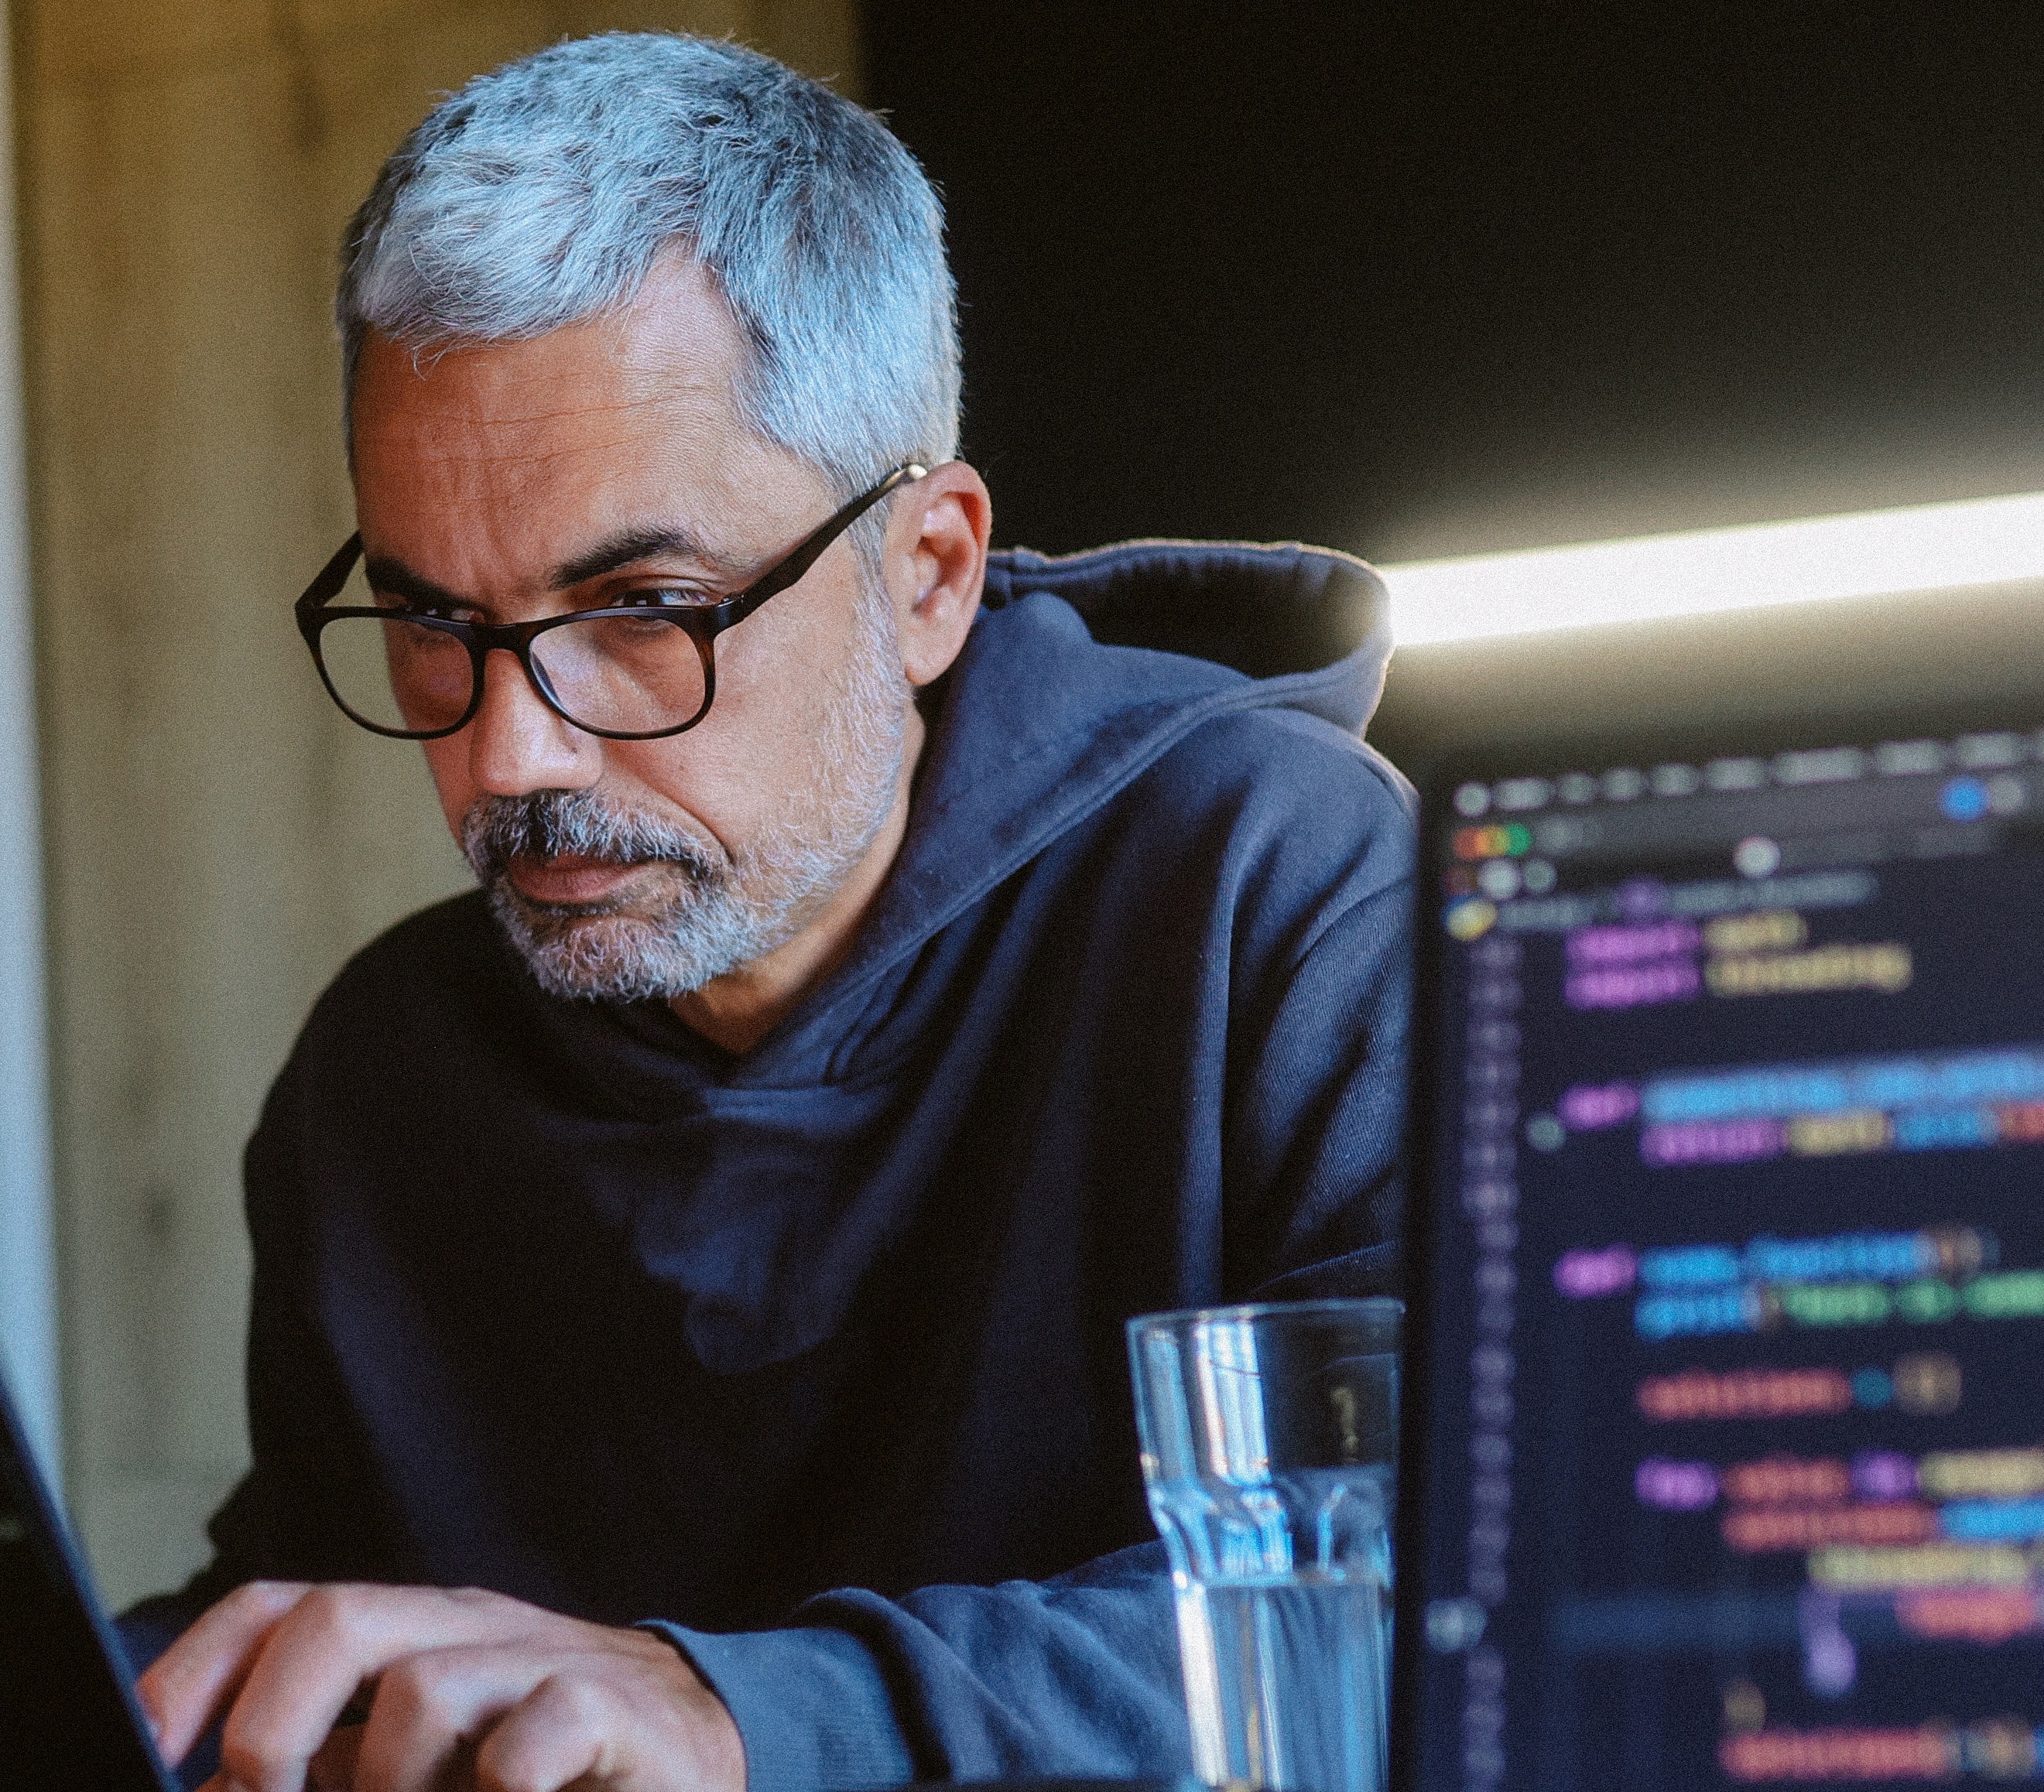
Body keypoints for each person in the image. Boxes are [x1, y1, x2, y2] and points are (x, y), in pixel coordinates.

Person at [116, 34, 1411, 1792]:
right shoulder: (388, 1071)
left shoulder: (1288, 892)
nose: (510, 755)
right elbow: (328, 1620)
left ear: (928, 574)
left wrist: (748, 1716)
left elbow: (1438, 1597)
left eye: (642, 604)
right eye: (431, 621)